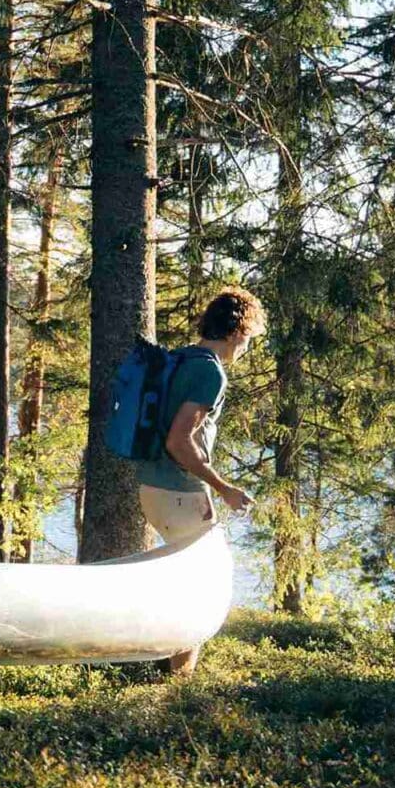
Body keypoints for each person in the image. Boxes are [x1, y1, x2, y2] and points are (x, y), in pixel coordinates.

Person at [138, 286, 264, 671]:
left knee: (182, 583)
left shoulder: (179, 359)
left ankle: (164, 663)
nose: (246, 347)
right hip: (181, 493)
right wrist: (225, 489)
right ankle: (180, 686)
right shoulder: (210, 372)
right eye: (249, 338)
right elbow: (180, 441)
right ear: (237, 331)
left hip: (151, 488)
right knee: (203, 587)